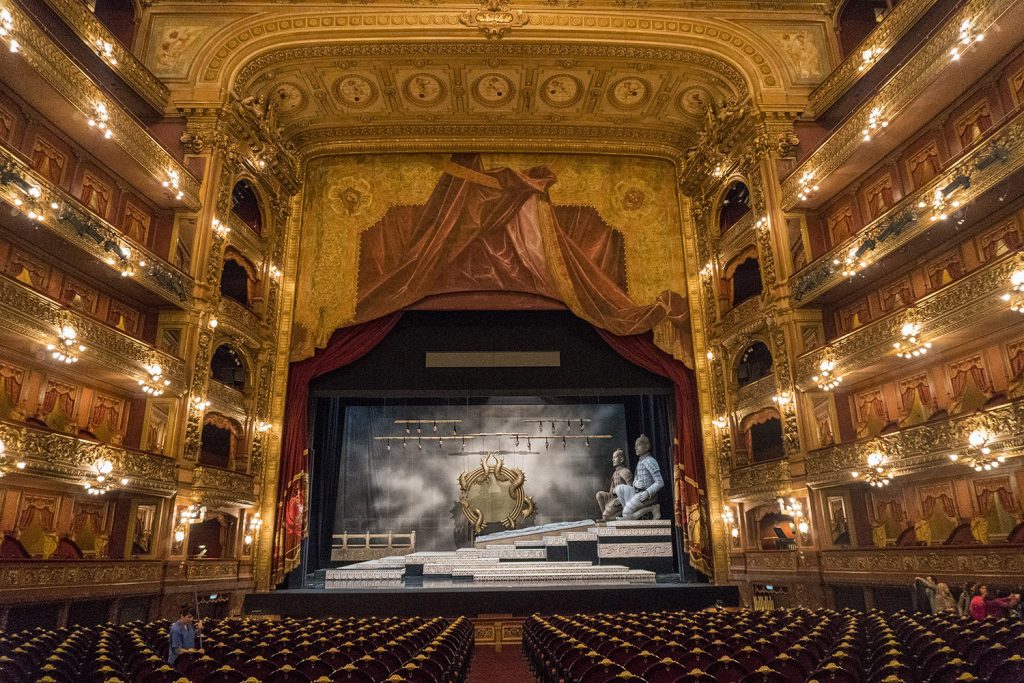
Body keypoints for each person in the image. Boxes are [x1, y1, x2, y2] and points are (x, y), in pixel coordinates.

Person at [614, 435, 664, 520]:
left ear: (647, 447)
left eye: (638, 445)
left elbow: (660, 482)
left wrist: (648, 492)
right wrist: (635, 483)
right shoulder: (640, 462)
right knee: (619, 488)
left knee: (626, 513)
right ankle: (628, 514)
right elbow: (635, 481)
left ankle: (652, 508)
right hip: (638, 492)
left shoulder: (650, 461)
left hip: (648, 495)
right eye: (635, 446)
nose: (635, 448)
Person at [596, 449, 632, 521]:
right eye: (613, 457)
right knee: (599, 494)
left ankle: (610, 517)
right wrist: (610, 497)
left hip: (623, 500)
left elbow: (630, 489)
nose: (613, 460)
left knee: (608, 514)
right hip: (615, 498)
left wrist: (621, 499)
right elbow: (611, 490)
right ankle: (605, 517)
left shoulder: (625, 471)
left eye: (615, 457)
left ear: (621, 459)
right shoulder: (615, 473)